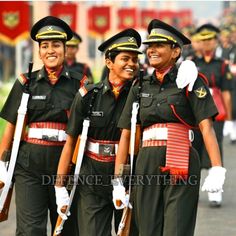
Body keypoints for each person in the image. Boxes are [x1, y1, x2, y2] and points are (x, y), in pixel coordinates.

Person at [113, 19, 226, 236]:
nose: (152, 50)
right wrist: (118, 179)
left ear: (175, 51)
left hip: (181, 157)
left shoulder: (189, 79)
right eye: (149, 47)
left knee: (176, 227)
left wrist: (217, 167)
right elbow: (126, 132)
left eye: (159, 46)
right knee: (147, 228)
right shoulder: (140, 85)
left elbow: (206, 126)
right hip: (146, 161)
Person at [0, 16, 85, 235]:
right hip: (30, 165)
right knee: (30, 230)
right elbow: (11, 126)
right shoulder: (25, 83)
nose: (50, 50)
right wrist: (2, 165)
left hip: (65, 164)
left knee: (65, 227)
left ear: (65, 49)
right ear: (39, 52)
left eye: (56, 45)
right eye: (45, 46)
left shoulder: (79, 84)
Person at [55, 28, 142, 236]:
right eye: (125, 58)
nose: (131, 64)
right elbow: (71, 141)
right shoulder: (88, 95)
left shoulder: (142, 95)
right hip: (92, 176)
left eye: (134, 59)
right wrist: (59, 186)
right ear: (109, 62)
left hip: (129, 176)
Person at [191, 23, 233, 207]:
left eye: (210, 40)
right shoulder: (191, 63)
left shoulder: (221, 65)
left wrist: (230, 118)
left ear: (216, 42)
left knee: (215, 148)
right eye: (203, 40)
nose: (207, 44)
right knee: (194, 150)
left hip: (215, 111)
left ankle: (215, 190)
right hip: (194, 112)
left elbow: (226, 93)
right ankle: (191, 190)